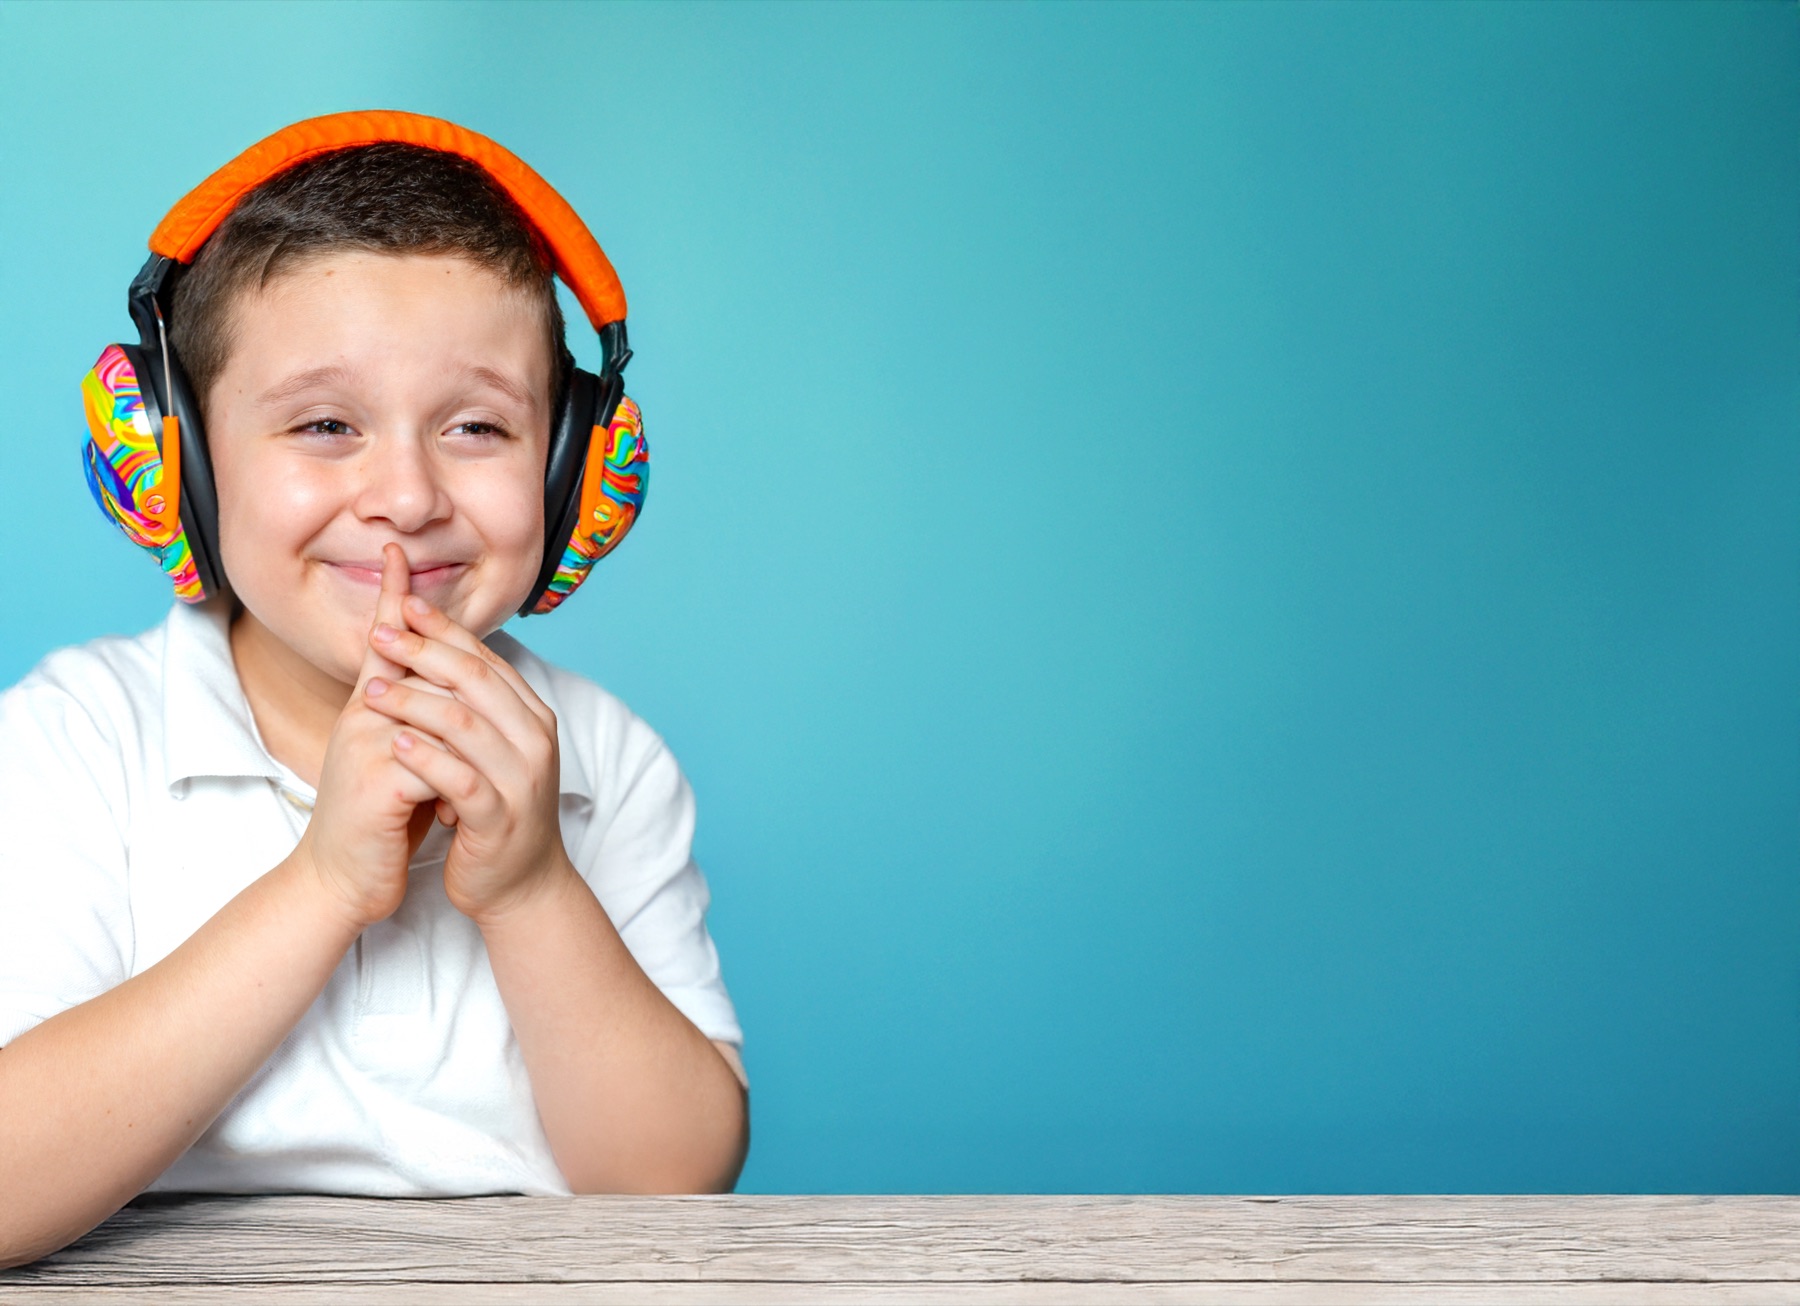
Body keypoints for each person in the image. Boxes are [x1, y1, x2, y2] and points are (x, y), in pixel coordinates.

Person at [0, 112, 748, 1268]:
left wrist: (537, 886)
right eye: (325, 423)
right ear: (176, 458)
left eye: (478, 426)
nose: (405, 495)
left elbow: (671, 1182)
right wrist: (323, 883)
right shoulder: (77, 738)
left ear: (575, 474)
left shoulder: (604, 758)